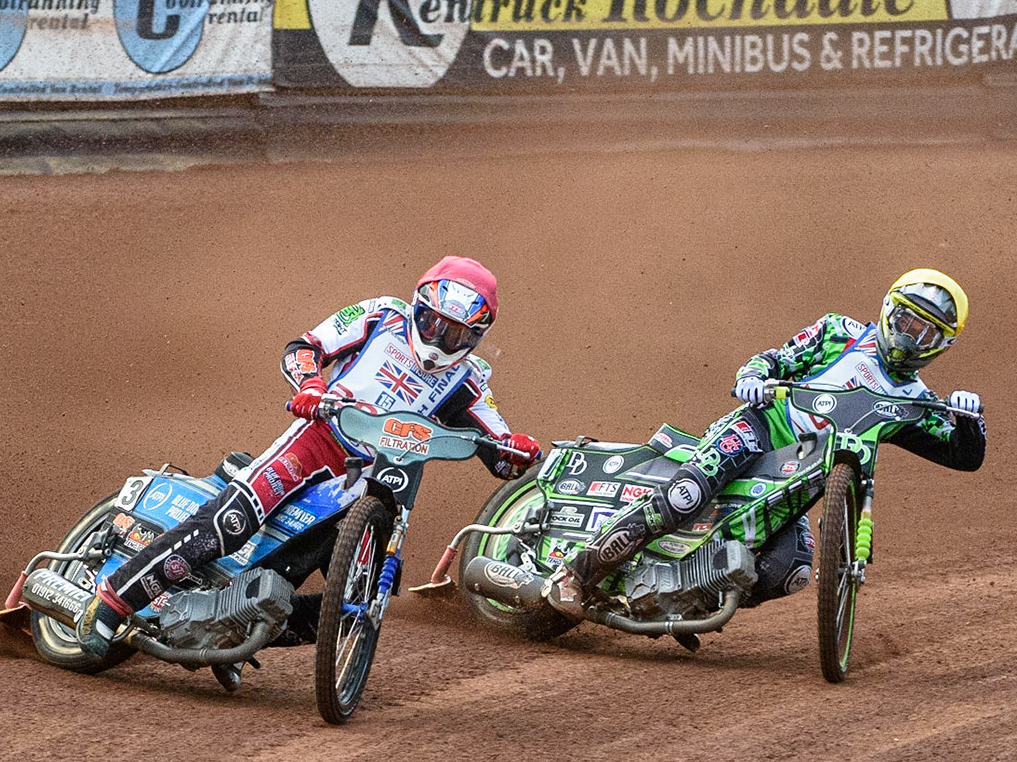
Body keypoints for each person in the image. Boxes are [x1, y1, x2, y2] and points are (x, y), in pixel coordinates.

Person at [75, 256, 543, 656]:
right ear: (419, 308)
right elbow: (305, 348)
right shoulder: (382, 314)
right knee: (232, 523)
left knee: (368, 591)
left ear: (477, 337)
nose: (440, 340)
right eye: (434, 323)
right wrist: (310, 385)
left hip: (383, 481)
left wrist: (519, 450)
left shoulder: (472, 378)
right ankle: (112, 603)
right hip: (317, 439)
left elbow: (499, 452)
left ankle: (234, 627)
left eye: (456, 334)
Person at [545, 268, 985, 617]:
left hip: (800, 480)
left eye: (925, 332)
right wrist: (752, 378)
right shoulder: (840, 332)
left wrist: (968, 418)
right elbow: (775, 358)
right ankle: (576, 574)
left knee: (788, 570)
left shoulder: (918, 403)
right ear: (889, 310)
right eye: (905, 320)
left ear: (941, 345)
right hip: (759, 430)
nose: (910, 336)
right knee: (685, 495)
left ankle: (680, 599)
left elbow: (966, 456)